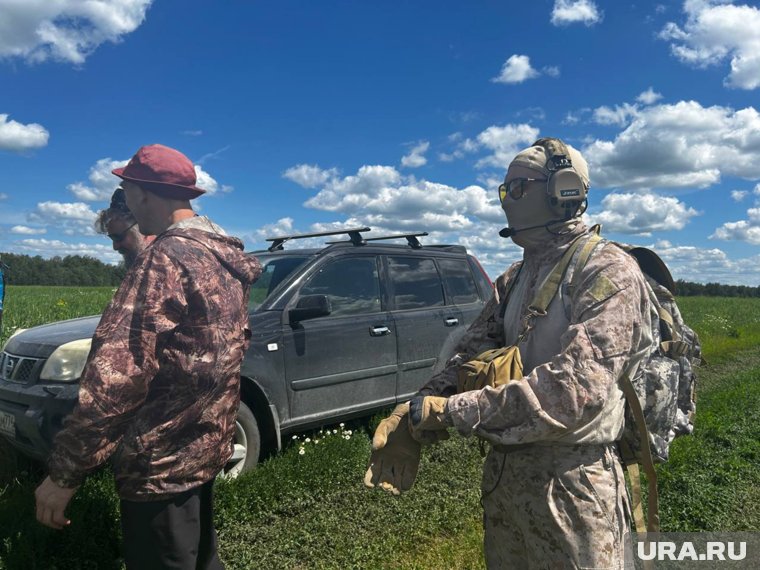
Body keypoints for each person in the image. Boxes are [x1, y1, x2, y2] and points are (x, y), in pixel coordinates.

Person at [365, 138, 655, 569]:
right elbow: (468, 357)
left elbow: (574, 393)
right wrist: (413, 411)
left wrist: (448, 413)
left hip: (573, 489)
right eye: (504, 191)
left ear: (564, 190)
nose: (506, 202)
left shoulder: (606, 271)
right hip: (505, 480)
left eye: (517, 188)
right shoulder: (515, 277)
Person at [35, 143, 262, 569]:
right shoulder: (221, 257)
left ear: (140, 193)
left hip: (158, 466)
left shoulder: (165, 259)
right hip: (204, 448)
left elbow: (116, 378)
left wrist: (64, 475)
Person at [95, 187, 155, 268]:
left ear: (145, 227)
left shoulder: (165, 264)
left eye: (118, 237)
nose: (115, 247)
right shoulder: (146, 267)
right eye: (112, 239)